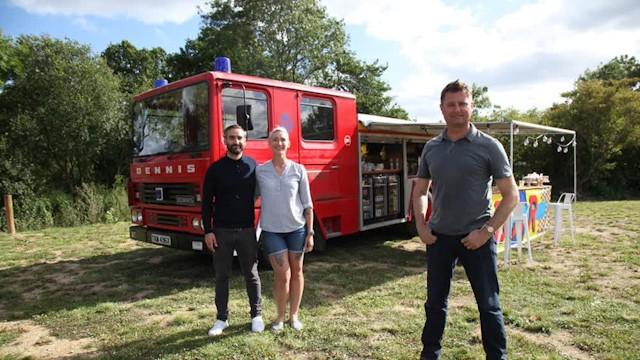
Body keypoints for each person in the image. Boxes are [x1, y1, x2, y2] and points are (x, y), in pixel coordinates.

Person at [412, 80, 518, 359]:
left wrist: (486, 231)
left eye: (463, 103)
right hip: (439, 239)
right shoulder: (431, 148)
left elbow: (511, 195)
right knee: (435, 304)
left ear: (472, 106)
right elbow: (420, 190)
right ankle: (429, 355)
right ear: (442, 109)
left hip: (477, 239)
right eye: (451, 104)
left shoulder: (489, 146)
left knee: (489, 305)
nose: (457, 109)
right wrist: (422, 227)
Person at [202, 124, 264, 336]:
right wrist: (208, 231)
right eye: (231, 138)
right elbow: (206, 204)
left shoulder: (253, 167)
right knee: (222, 276)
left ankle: (256, 315)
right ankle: (221, 319)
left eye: (239, 138)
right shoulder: (215, 169)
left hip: (247, 230)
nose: (235, 141)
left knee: (252, 274)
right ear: (224, 140)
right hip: (221, 231)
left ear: (245, 141)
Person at [256, 126, 314, 331]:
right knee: (282, 273)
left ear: (288, 143)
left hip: (297, 229)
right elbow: (250, 196)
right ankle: (279, 317)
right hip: (272, 230)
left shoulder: (299, 170)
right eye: (275, 140)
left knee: (297, 272)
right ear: (269, 143)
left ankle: (294, 315)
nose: (279, 143)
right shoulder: (260, 171)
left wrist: (310, 233)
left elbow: (307, 204)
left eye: (283, 140)